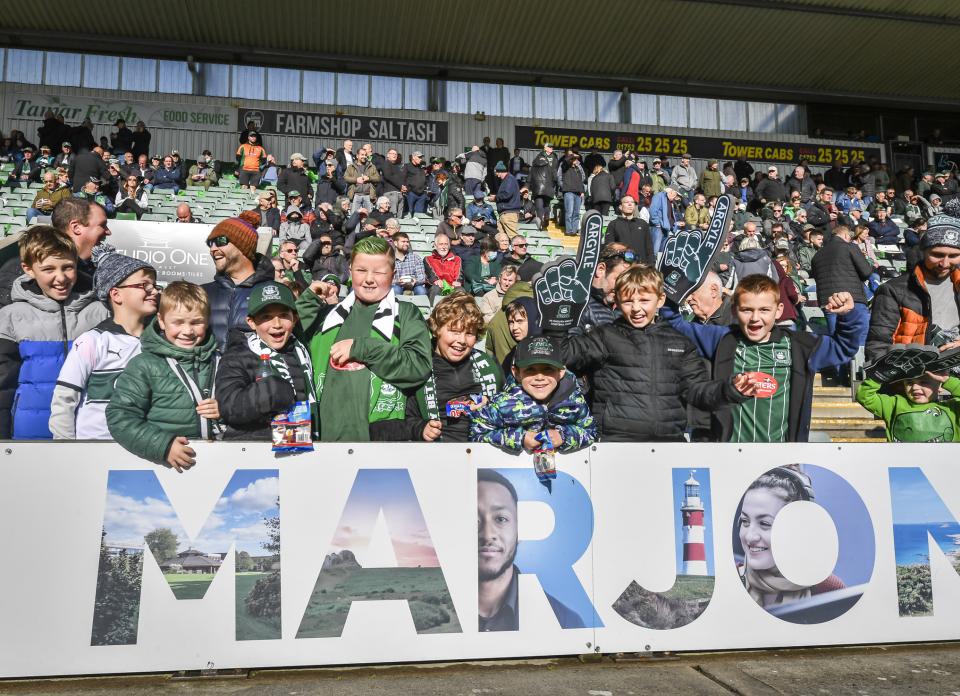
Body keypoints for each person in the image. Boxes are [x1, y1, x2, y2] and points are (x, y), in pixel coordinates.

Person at [550, 265, 752, 441]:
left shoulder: (679, 342)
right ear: (618, 302)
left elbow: (698, 391)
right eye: (628, 302)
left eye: (644, 300)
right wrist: (556, 321)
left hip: (668, 443)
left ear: (661, 300)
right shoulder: (604, 336)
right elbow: (564, 355)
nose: (636, 309)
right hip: (616, 442)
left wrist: (730, 390)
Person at [664, 275, 864, 442]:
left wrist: (848, 315)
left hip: (780, 457)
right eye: (747, 310)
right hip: (728, 454)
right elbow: (675, 325)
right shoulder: (721, 338)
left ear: (778, 312)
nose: (755, 318)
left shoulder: (800, 345)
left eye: (764, 310)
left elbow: (843, 347)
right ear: (734, 311)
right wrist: (673, 286)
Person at [295, 236, 432, 442]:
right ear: (350, 271)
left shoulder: (405, 314)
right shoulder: (329, 315)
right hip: (323, 439)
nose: (369, 279)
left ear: (393, 275)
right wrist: (307, 303)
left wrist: (363, 348)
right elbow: (289, 351)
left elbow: (418, 367)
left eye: (379, 272)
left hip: (379, 441)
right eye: (361, 270)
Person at [0, 225, 110, 439]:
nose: (61, 278)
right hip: (29, 434)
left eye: (68, 267)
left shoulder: (101, 312)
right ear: (28, 268)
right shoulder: (10, 317)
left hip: (91, 433)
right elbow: (3, 385)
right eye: (49, 269)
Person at [106, 282, 219, 471]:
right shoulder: (144, 365)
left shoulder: (221, 360)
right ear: (161, 320)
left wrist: (226, 407)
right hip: (164, 465)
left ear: (207, 322)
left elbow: (242, 403)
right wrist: (163, 445)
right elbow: (120, 416)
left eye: (196, 322)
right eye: (178, 322)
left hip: (218, 462)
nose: (188, 331)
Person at [49, 253, 157, 439]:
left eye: (155, 285)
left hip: (147, 448)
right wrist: (64, 450)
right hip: (94, 452)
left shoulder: (161, 343)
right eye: (144, 285)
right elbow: (64, 400)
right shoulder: (92, 341)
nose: (154, 291)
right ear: (116, 294)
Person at [476, 468, 585, 631]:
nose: (487, 534)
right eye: (473, 519)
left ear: (520, 530)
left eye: (501, 519)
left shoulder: (566, 622)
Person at [215, 281, 317, 441]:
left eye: (284, 315)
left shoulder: (301, 349)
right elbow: (228, 407)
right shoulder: (237, 355)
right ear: (251, 322)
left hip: (300, 446)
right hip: (254, 453)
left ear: (295, 319)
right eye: (266, 317)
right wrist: (272, 391)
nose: (276, 324)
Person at [404, 292, 504, 443]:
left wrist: (493, 407)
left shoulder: (489, 365)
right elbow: (404, 418)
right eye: (455, 332)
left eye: (469, 333)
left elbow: (511, 406)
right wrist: (421, 428)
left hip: (484, 452)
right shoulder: (418, 365)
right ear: (437, 329)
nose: (462, 340)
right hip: (438, 454)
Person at [738, 468, 844, 609]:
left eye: (764, 523)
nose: (750, 536)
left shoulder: (828, 589)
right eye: (745, 521)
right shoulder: (730, 578)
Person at [473, 333, 595, 454]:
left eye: (548, 369)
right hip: (517, 472)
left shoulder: (575, 401)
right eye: (530, 369)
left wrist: (564, 436)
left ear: (561, 372)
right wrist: (519, 438)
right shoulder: (502, 404)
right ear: (516, 373)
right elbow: (476, 433)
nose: (539, 377)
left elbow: (591, 432)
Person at [867, 217, 960, 361]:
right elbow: (878, 347)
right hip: (913, 377)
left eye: (953, 256)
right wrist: (906, 380)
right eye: (937, 255)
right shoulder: (893, 290)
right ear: (923, 251)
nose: (945, 263)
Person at [202, 211, 277, 351]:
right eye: (210, 244)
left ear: (243, 246)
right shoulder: (201, 293)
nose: (212, 249)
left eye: (220, 241)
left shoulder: (274, 293)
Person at [810, 224, 873, 343]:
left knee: (838, 344)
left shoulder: (817, 255)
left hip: (828, 301)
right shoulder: (850, 247)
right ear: (845, 235)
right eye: (849, 236)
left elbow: (815, 277)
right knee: (860, 344)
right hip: (853, 299)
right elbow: (866, 272)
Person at [857, 370, 960, 442]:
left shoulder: (953, 407)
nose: (915, 387)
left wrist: (949, 380)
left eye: (923, 382)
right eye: (909, 382)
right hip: (904, 467)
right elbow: (864, 396)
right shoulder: (894, 404)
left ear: (940, 386)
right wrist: (881, 376)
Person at [603, 196, 654, 265]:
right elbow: (609, 247)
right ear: (620, 207)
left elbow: (649, 247)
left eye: (632, 202)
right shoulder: (613, 224)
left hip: (641, 267)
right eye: (626, 202)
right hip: (622, 266)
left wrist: (651, 265)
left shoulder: (643, 224)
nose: (630, 204)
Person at [424, 232, 463, 301]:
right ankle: (433, 310)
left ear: (449, 246)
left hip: (452, 286)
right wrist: (436, 280)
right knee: (435, 288)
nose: (444, 247)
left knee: (460, 291)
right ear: (435, 245)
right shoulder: (428, 259)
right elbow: (430, 274)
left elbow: (459, 274)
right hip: (438, 285)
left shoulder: (457, 259)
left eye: (446, 244)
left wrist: (457, 281)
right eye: (441, 244)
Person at [528, 143, 558, 230]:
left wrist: (528, 184)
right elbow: (554, 172)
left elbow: (532, 172)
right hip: (543, 183)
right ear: (545, 148)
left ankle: (543, 220)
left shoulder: (554, 157)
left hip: (545, 184)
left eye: (552, 147)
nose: (552, 148)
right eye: (550, 147)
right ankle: (544, 219)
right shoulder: (540, 157)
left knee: (545, 203)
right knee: (542, 203)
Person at [392, 231, 428, 296]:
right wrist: (398, 281)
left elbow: (422, 278)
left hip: (414, 286)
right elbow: (387, 279)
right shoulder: (390, 259)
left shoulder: (415, 258)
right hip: (397, 285)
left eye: (407, 242)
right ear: (395, 243)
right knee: (395, 290)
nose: (406, 244)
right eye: (403, 242)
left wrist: (414, 281)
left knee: (421, 290)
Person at [648, 185, 681, 254]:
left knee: (661, 253)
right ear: (671, 192)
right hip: (658, 228)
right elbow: (653, 211)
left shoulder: (670, 201)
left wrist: (674, 224)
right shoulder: (659, 196)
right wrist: (658, 223)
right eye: (676, 194)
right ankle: (653, 264)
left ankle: (658, 264)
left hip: (666, 228)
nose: (676, 197)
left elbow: (670, 215)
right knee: (655, 251)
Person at [560, 151, 585, 236]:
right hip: (569, 192)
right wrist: (572, 155)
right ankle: (568, 231)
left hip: (578, 193)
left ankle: (574, 231)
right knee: (569, 212)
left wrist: (582, 191)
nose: (576, 161)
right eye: (574, 159)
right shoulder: (566, 167)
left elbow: (580, 181)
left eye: (577, 159)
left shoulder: (578, 168)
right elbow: (565, 161)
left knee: (576, 213)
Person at [493, 161, 521, 240]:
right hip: (505, 213)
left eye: (497, 173)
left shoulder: (509, 179)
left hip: (509, 213)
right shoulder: (507, 179)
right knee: (501, 238)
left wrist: (495, 198)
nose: (497, 176)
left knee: (513, 238)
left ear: (500, 171)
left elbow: (506, 194)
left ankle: (520, 251)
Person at [403, 151, 429, 216]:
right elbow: (403, 178)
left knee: (419, 215)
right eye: (419, 157)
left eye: (421, 157)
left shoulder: (421, 167)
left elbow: (424, 179)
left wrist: (425, 189)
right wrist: (407, 190)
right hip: (411, 194)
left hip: (422, 194)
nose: (421, 159)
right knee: (409, 214)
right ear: (413, 157)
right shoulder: (407, 166)